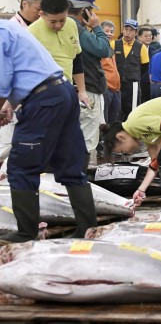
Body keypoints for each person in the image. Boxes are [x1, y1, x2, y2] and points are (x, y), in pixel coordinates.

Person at [0, 20, 97, 243]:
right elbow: (24, 72)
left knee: (22, 167)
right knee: (71, 166)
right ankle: (88, 229)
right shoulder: (10, 28)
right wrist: (9, 106)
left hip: (43, 101)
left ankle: (26, 234)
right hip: (61, 91)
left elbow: (2, 83)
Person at [67, 0, 110, 168]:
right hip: (88, 90)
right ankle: (81, 178)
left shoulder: (69, 27)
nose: (93, 14)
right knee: (87, 137)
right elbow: (103, 49)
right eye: (91, 10)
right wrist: (97, 27)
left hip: (76, 89)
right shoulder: (77, 29)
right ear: (84, 10)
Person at [28, 0, 88, 107]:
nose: (58, 25)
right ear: (42, 14)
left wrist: (82, 91)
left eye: (62, 20)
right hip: (44, 97)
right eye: (53, 21)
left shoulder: (71, 25)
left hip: (68, 92)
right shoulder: (31, 33)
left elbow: (77, 59)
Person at [111, 19, 149, 120]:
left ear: (135, 32)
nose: (128, 32)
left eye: (131, 30)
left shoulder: (141, 47)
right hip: (116, 84)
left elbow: (145, 67)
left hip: (132, 85)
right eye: (126, 29)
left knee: (132, 112)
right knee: (116, 112)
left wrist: (133, 76)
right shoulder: (114, 44)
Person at [100, 20, 121, 124]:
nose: (109, 34)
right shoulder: (98, 47)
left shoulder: (110, 48)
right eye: (106, 31)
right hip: (106, 89)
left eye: (111, 32)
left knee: (114, 120)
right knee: (104, 120)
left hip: (116, 89)